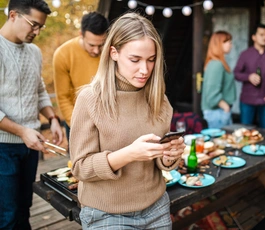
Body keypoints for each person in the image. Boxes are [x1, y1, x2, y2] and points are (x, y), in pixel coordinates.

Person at [70, 12, 185, 229]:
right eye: (135, 60)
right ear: (113, 52)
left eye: (151, 60)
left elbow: (162, 162)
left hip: (156, 206)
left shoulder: (159, 99)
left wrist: (170, 155)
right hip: (106, 213)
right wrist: (128, 154)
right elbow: (80, 167)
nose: (145, 70)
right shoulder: (90, 99)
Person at [0, 0, 64, 229]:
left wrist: (53, 119)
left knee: (24, 207)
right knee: (6, 215)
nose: (36, 32)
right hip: (3, 148)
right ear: (14, 15)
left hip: (31, 145)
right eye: (33, 25)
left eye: (41, 27)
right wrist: (21, 130)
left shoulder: (35, 52)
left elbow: (39, 90)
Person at [53, 12, 109, 141]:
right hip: (77, 120)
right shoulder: (62, 54)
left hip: (108, 120)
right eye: (91, 45)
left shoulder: (111, 52)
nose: (96, 51)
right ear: (81, 34)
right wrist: (79, 126)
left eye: (101, 45)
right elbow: (63, 98)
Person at [234, 24, 265, 130]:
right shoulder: (245, 54)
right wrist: (249, 77)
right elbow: (236, 73)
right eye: (261, 34)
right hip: (248, 99)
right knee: (245, 130)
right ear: (254, 37)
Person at [201, 31, 236, 129]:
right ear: (218, 44)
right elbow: (212, 94)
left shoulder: (217, 62)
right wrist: (226, 108)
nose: (230, 44)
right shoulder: (216, 64)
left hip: (217, 112)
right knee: (219, 143)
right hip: (217, 112)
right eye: (227, 41)